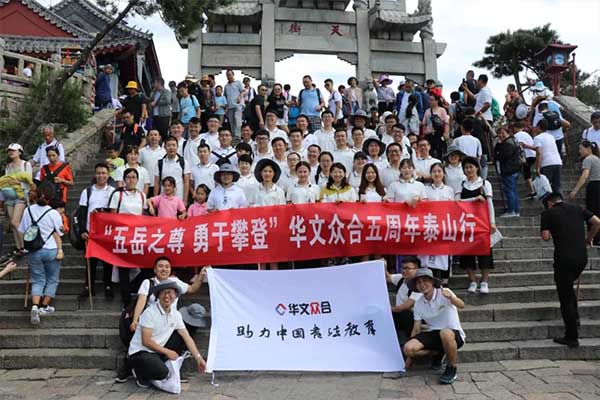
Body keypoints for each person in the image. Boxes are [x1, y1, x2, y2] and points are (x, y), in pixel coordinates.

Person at [541, 192, 600, 347]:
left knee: (565, 295)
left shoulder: (548, 213)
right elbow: (597, 222)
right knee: (569, 288)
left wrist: (551, 228)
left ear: (549, 203)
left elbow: (545, 237)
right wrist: (588, 238)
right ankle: (576, 318)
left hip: (563, 259)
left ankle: (571, 336)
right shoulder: (577, 208)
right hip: (581, 258)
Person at [126, 281, 206, 388]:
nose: (167, 296)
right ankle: (139, 372)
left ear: (175, 296)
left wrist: (198, 357)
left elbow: (187, 337)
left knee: (181, 336)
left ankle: (157, 366)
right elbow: (146, 341)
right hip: (141, 352)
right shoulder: (149, 313)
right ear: (158, 296)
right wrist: (168, 352)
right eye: (163, 293)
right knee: (162, 373)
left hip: (157, 351)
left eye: (170, 293)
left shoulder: (176, 314)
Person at [403, 268, 466, 385]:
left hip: (452, 333)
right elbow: (416, 328)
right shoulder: (418, 303)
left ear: (432, 282)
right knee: (408, 349)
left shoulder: (444, 292)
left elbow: (462, 305)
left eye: (425, 281)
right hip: (434, 334)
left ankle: (451, 368)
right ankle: (438, 353)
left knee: (445, 333)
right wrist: (409, 357)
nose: (422, 284)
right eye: (418, 282)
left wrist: (451, 298)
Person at [18, 185, 64, 325]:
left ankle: (34, 306)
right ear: (51, 197)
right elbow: (60, 232)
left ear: (36, 195)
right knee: (52, 279)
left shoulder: (28, 210)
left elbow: (22, 229)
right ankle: (44, 306)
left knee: (38, 280)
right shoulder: (53, 213)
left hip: (34, 250)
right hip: (51, 249)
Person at [110, 168, 149, 305]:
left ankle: (133, 288)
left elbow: (142, 215)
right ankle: (126, 301)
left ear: (137, 180)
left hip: (137, 236)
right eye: (128, 177)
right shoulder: (118, 195)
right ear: (124, 179)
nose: (131, 180)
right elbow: (113, 217)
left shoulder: (142, 195)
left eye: (134, 177)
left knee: (146, 267)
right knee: (123, 269)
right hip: (122, 236)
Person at [457, 156, 496, 294]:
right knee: (467, 253)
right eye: (466, 168)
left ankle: (484, 281)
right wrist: (474, 199)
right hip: (466, 224)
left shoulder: (485, 183)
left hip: (481, 223)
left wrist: (492, 222)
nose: (469, 170)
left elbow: (489, 203)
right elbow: (457, 202)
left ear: (477, 168)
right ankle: (473, 281)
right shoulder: (462, 184)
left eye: (471, 167)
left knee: (485, 252)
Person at [78, 163, 115, 300]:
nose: (101, 176)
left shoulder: (112, 191)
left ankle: (108, 286)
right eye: (98, 173)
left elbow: (115, 212)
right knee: (90, 262)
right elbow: (82, 212)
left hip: (106, 233)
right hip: (91, 233)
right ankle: (89, 287)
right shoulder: (87, 191)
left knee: (108, 263)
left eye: (104, 173)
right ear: (95, 174)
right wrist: (83, 230)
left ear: (108, 175)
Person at [421, 163, 454, 285]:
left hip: (445, 225)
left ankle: (445, 280)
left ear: (443, 173)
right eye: (434, 171)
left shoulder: (449, 190)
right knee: (430, 252)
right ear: (430, 174)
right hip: (430, 225)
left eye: (439, 171)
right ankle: (431, 279)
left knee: (445, 252)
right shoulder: (425, 189)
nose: (437, 174)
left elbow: (453, 208)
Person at [3, 143, 33, 257]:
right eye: (9, 151)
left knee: (15, 222)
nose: (11, 152)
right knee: (13, 223)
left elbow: (29, 181)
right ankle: (19, 246)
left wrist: (17, 182)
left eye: (13, 150)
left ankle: (25, 245)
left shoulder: (26, 164)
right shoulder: (8, 166)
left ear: (20, 152)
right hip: (9, 195)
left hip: (21, 195)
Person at [385, 256, 422, 344]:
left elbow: (405, 306)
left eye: (408, 268)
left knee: (404, 313)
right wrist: (384, 265)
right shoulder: (401, 279)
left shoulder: (420, 285)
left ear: (417, 270)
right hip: (399, 315)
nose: (404, 271)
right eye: (403, 268)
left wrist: (386, 309)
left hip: (413, 318)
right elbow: (387, 277)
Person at [569, 141, 600, 245]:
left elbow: (585, 175)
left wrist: (575, 190)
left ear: (588, 149)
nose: (579, 151)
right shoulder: (597, 159)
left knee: (592, 211)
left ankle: (594, 238)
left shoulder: (588, 159)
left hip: (594, 186)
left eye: (581, 149)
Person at [153, 136, 191, 202]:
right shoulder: (160, 163)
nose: (171, 148)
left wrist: (185, 200)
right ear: (164, 147)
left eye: (173, 145)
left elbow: (186, 182)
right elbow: (157, 182)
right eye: (169, 145)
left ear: (177, 147)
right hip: (163, 200)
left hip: (179, 199)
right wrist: (155, 200)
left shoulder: (183, 162)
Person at [494, 127, 521, 217]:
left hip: (509, 170)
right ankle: (516, 210)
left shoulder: (508, 143)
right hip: (512, 169)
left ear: (507, 133)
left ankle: (511, 210)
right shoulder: (511, 141)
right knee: (513, 190)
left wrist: (498, 153)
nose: (500, 135)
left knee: (510, 190)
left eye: (503, 133)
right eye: (499, 133)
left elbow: (502, 156)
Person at [533, 119, 563, 194]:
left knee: (545, 188)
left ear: (538, 127)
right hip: (558, 162)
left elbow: (539, 152)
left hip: (546, 164)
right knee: (557, 186)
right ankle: (559, 200)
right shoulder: (551, 137)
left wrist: (538, 168)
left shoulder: (537, 138)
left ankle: (549, 201)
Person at [513, 122, 537, 198]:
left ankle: (532, 190)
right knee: (530, 171)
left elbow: (519, 145)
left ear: (516, 128)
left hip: (526, 156)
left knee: (527, 173)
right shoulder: (527, 134)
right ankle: (534, 188)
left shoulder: (516, 135)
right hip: (533, 154)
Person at [422, 93, 449, 159]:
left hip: (438, 133)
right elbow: (424, 123)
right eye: (429, 100)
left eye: (432, 100)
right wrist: (424, 132)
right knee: (429, 152)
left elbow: (446, 122)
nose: (430, 102)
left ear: (437, 101)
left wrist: (446, 132)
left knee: (439, 151)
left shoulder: (442, 110)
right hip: (429, 134)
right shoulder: (427, 111)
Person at [224, 69, 244, 138]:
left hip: (238, 105)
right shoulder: (226, 86)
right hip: (230, 106)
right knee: (231, 122)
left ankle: (238, 136)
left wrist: (240, 97)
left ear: (233, 75)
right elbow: (225, 96)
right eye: (227, 75)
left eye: (230, 75)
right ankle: (233, 136)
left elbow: (243, 91)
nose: (229, 76)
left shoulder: (238, 83)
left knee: (237, 120)